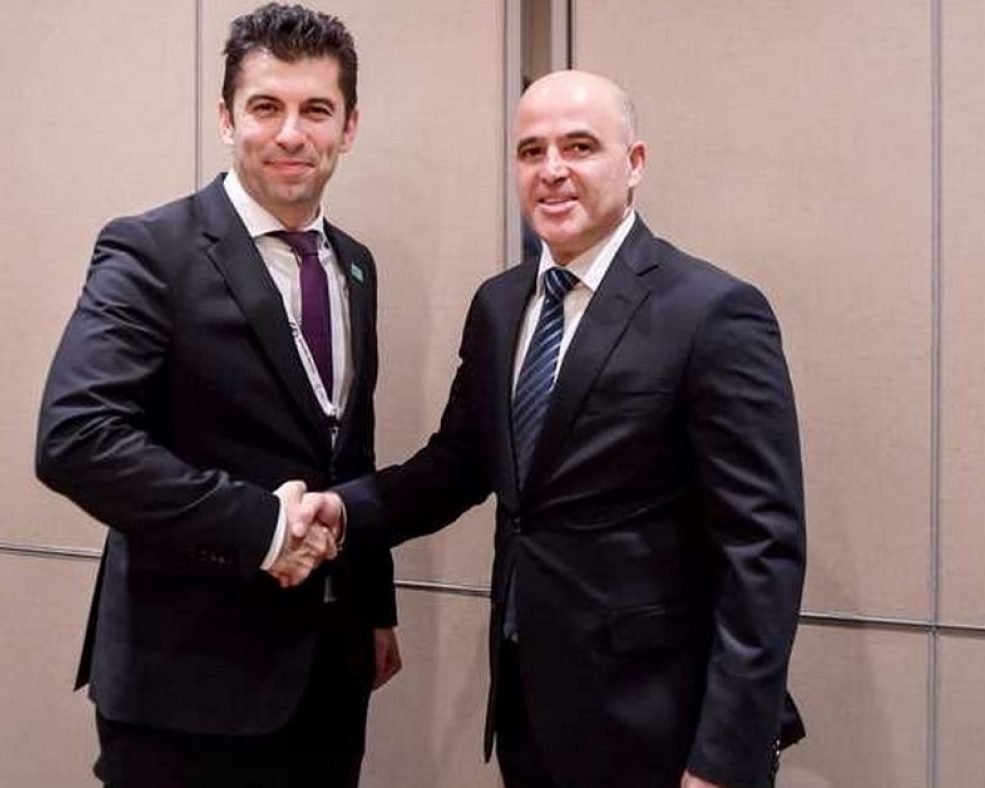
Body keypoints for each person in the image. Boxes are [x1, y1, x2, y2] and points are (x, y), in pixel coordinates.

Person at [300, 70, 806, 788]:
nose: (552, 170)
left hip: (662, 724)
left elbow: (763, 551)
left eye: (579, 147)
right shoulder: (500, 305)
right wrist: (343, 511)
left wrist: (726, 757)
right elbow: (457, 465)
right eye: (531, 151)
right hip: (529, 707)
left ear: (634, 163)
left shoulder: (712, 312)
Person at [34, 5, 399, 786]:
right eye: (266, 107)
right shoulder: (151, 250)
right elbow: (77, 438)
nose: (291, 134)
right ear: (227, 118)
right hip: (185, 683)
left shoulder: (356, 266)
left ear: (349, 126)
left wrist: (373, 608)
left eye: (316, 110)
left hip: (328, 676)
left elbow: (350, 448)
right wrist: (261, 526)